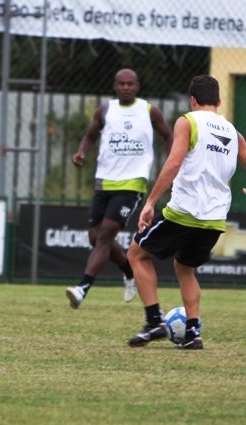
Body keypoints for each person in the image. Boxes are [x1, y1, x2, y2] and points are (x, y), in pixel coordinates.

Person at [126, 74, 246, 350]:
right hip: (214, 221)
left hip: (183, 212)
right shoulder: (233, 132)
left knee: (136, 254)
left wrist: (152, 201)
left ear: (192, 100)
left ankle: (155, 320)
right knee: (185, 268)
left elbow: (175, 161)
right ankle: (193, 334)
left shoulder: (187, 121)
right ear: (219, 101)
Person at [66, 68, 173, 309]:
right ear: (115, 85)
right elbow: (91, 135)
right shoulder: (105, 110)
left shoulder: (149, 111)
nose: (126, 87)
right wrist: (82, 151)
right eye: (121, 84)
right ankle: (129, 272)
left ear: (137, 86)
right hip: (104, 181)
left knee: (105, 234)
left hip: (132, 183)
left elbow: (168, 136)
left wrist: (171, 161)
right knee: (95, 237)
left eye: (130, 84)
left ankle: (82, 288)